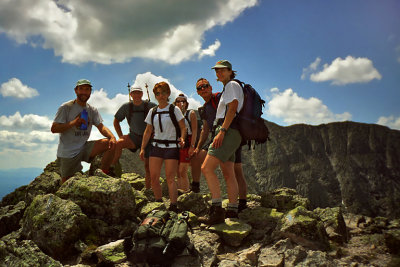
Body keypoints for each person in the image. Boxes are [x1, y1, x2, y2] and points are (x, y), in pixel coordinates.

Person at [198, 60, 244, 225]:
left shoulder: (231, 85)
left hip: (228, 131)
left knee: (206, 168)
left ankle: (216, 210)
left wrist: (222, 131)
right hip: (234, 132)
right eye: (217, 71)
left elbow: (232, 108)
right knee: (228, 172)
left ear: (230, 71)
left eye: (222, 71)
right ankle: (232, 210)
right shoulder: (230, 87)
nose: (219, 74)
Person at [51, 79, 117, 184]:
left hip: (84, 147)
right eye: (81, 89)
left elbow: (101, 126)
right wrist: (74, 123)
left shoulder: (92, 109)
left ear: (90, 92)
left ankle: (103, 174)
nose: (84, 92)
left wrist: (112, 137)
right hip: (68, 153)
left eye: (87, 89)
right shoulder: (66, 107)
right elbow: (54, 128)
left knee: (110, 143)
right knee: (66, 184)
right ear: (76, 91)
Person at [140, 82, 186, 212]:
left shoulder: (174, 110)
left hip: (171, 147)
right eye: (158, 94)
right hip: (156, 146)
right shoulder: (153, 111)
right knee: (154, 177)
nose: (161, 96)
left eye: (163, 93)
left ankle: (173, 206)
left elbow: (183, 127)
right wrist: (143, 148)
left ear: (168, 94)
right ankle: (159, 203)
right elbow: (148, 131)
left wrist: (182, 138)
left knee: (170, 178)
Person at [104, 86, 156, 186]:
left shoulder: (151, 106)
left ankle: (149, 189)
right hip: (133, 137)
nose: (136, 95)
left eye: (138, 93)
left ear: (142, 94)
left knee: (147, 165)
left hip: (148, 139)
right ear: (130, 94)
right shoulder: (126, 107)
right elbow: (116, 121)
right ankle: (112, 168)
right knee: (118, 143)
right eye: (134, 93)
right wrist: (120, 136)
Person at [173, 94, 198, 193]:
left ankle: (185, 192)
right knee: (177, 171)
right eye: (178, 101)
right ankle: (180, 193)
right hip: (176, 143)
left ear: (186, 103)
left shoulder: (190, 113)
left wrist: (192, 146)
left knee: (182, 171)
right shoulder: (173, 115)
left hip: (187, 143)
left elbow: (195, 131)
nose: (180, 103)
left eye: (182, 101)